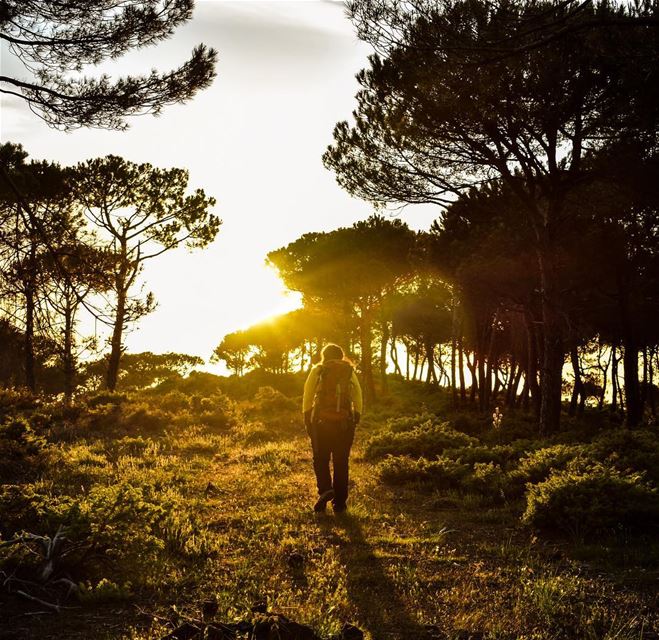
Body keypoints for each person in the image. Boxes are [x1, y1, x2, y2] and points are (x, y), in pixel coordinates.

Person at [302, 344, 363, 514]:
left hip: (321, 423)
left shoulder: (318, 369)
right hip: (344, 423)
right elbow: (358, 394)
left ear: (324, 356)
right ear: (341, 356)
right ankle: (340, 504)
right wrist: (356, 415)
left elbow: (307, 395)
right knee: (341, 462)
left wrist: (307, 418)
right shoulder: (349, 370)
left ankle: (325, 489)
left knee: (320, 458)